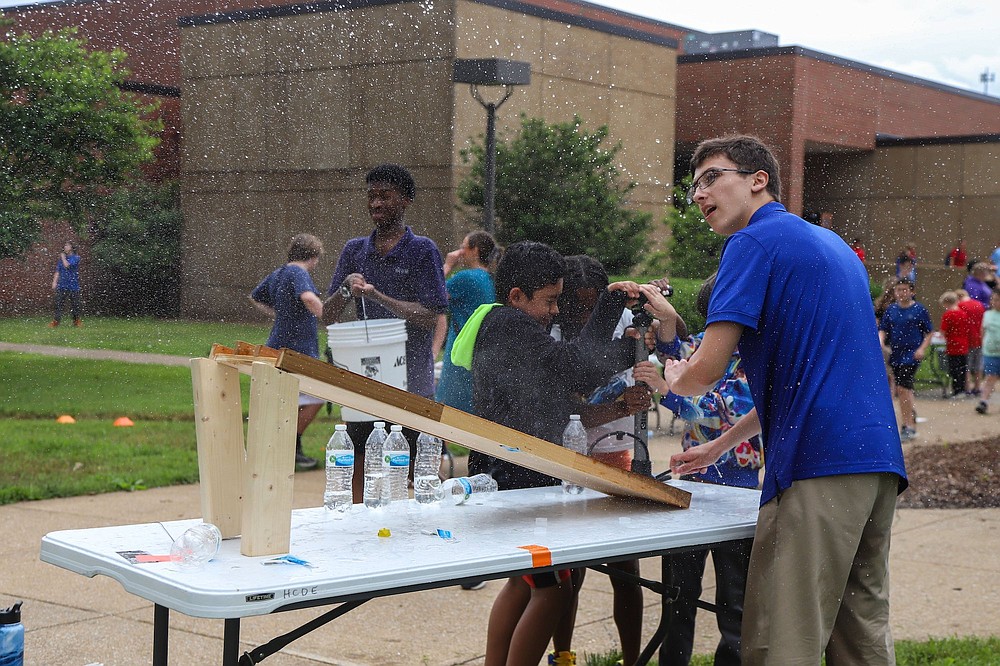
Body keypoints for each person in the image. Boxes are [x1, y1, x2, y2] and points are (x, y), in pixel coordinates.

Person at [634, 135, 907, 665]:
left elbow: (705, 371)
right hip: (875, 465)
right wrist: (720, 446)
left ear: (759, 179)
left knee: (781, 639)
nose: (698, 194)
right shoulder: (830, 247)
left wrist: (672, 379)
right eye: (693, 186)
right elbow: (811, 380)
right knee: (859, 636)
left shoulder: (751, 243)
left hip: (816, 466)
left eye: (712, 177)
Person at [451, 240, 643, 666]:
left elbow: (556, 393)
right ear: (516, 297)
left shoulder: (499, 326)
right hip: (524, 474)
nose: (556, 311)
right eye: (550, 301)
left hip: (509, 468)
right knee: (554, 590)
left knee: (524, 584)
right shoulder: (511, 327)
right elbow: (575, 366)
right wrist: (610, 309)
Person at [549, 255, 657, 666]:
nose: (585, 313)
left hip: (616, 456)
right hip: (569, 459)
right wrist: (615, 406)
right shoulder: (553, 333)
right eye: (576, 303)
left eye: (594, 304)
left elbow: (673, 336)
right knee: (568, 575)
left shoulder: (623, 328)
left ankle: (632, 661)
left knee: (625, 572)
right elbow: (564, 411)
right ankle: (563, 657)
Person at [652, 274, 761, 666]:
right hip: (691, 488)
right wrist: (666, 316)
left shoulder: (756, 357)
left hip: (739, 490)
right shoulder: (704, 345)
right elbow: (674, 354)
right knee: (678, 594)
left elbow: (724, 410)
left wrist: (670, 392)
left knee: (735, 599)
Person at [322, 164, 448, 500]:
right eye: (371, 196)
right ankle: (362, 527)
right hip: (365, 380)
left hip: (412, 382)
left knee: (415, 467)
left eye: (385, 196)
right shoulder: (354, 251)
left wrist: (378, 296)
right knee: (361, 459)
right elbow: (327, 316)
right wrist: (347, 289)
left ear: (405, 200)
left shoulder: (422, 250)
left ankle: (419, 537)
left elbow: (430, 315)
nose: (376, 204)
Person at [250, 233, 326, 470]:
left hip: (277, 343)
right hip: (298, 349)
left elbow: (255, 297)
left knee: (287, 399)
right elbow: (309, 298)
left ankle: (286, 449)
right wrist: (327, 315)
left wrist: (280, 313)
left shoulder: (279, 273)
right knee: (317, 396)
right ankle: (288, 446)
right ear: (313, 257)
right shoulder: (298, 273)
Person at [434, 231, 499, 414]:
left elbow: (433, 296)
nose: (459, 252)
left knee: (447, 410)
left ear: (475, 250)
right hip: (482, 352)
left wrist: (447, 265)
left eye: (463, 247)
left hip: (460, 353)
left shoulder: (466, 278)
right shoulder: (490, 278)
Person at [878, 278, 933, 440]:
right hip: (896, 354)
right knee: (904, 389)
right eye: (898, 290)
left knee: (902, 388)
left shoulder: (919, 310)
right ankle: (910, 413)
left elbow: (929, 332)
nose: (901, 293)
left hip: (912, 354)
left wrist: (922, 349)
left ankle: (908, 426)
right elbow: (883, 329)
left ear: (912, 291)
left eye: (904, 290)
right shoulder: (891, 310)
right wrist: (880, 341)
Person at [939, 290, 972, 398]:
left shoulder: (948, 314)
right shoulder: (963, 313)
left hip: (953, 345)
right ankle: (962, 389)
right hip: (963, 344)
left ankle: (956, 390)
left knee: (954, 369)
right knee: (962, 368)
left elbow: (943, 331)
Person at [957, 289, 986, 396]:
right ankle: (977, 387)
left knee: (967, 366)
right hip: (979, 337)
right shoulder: (979, 304)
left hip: (967, 338)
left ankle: (967, 387)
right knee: (978, 365)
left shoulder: (961, 305)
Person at [976, 289, 1000, 414]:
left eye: (997, 300)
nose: (994, 302)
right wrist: (984, 344)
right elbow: (983, 331)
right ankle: (983, 401)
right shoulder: (988, 314)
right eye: (993, 300)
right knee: (990, 377)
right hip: (990, 352)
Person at [50, 241, 82, 327]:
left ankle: (76, 321)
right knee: (58, 304)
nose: (65, 247)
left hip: (73, 286)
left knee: (75, 305)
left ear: (71, 247)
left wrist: (63, 258)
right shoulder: (61, 259)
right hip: (62, 285)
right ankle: (56, 322)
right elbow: (58, 271)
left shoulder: (76, 258)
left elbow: (67, 265)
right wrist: (54, 282)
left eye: (67, 245)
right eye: (64, 245)